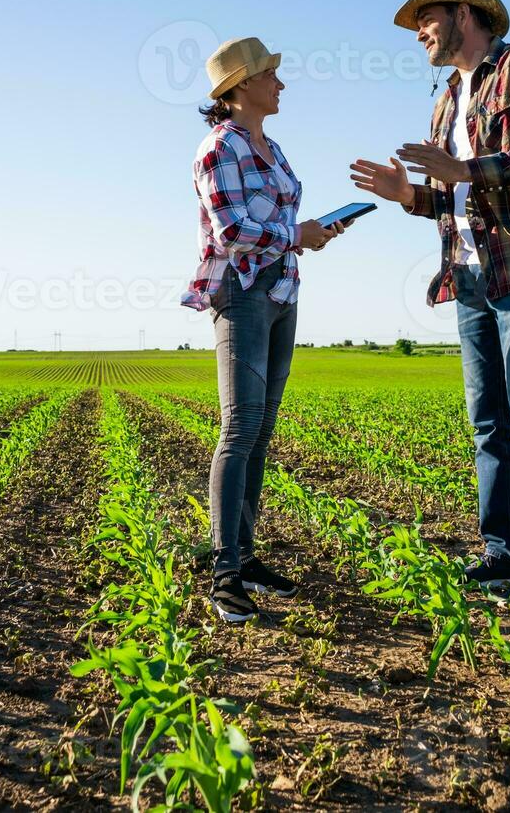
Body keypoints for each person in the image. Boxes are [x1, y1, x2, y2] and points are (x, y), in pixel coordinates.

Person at [349, 0, 510, 613]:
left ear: (463, 13)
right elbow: (456, 198)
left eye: (425, 20)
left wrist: (465, 170)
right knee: (488, 420)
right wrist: (411, 196)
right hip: (470, 273)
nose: (419, 34)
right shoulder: (448, 99)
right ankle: (502, 553)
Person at [182, 36, 346, 624]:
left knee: (262, 429)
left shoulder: (270, 146)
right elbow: (230, 232)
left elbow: (276, 220)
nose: (280, 84)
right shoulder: (218, 147)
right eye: (271, 76)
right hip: (243, 294)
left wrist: (310, 233)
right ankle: (225, 572)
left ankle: (246, 559)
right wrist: (296, 235)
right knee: (241, 425)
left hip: (280, 291)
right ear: (241, 87)